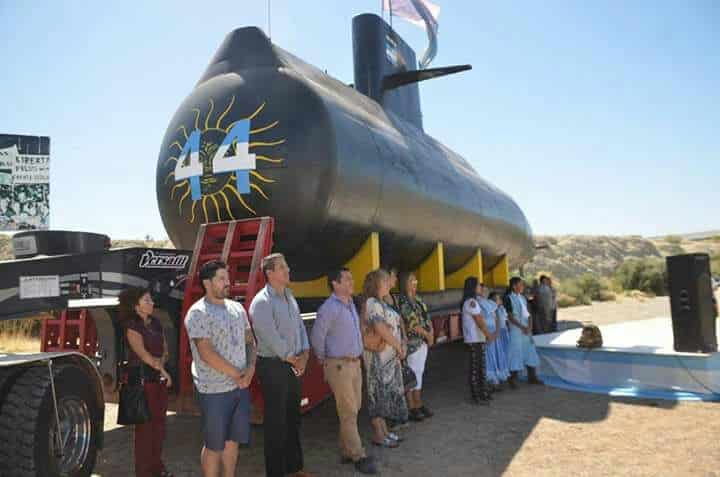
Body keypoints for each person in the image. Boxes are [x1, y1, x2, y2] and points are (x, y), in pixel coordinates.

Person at [184, 260, 256, 477]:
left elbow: (250, 340)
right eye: (222, 279)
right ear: (207, 283)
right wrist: (238, 374)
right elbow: (206, 353)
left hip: (240, 387)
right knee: (214, 445)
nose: (228, 283)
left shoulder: (237, 308)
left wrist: (251, 368)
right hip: (213, 391)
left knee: (232, 441)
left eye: (228, 278)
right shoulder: (198, 313)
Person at [249, 253, 313, 477]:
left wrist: (305, 353)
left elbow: (300, 327)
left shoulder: (289, 296)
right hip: (274, 367)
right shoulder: (261, 302)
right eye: (283, 267)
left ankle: (295, 467)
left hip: (293, 364)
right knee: (276, 423)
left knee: (293, 419)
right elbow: (270, 337)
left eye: (287, 266)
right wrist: (292, 358)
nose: (288, 271)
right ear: (270, 273)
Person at [310, 268, 377, 474]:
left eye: (351, 278)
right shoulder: (329, 308)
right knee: (349, 411)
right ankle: (359, 455)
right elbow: (317, 337)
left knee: (353, 409)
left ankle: (346, 450)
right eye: (347, 279)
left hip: (354, 364)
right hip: (339, 365)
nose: (351, 281)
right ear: (335, 284)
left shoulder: (349, 305)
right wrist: (325, 361)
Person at [119, 287, 174, 477]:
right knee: (145, 430)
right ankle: (143, 472)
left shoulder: (156, 323)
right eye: (147, 300)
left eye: (151, 300)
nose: (151, 303)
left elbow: (164, 349)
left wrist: (162, 363)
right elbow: (143, 355)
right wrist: (163, 371)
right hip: (143, 383)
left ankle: (157, 468)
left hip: (157, 380)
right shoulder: (132, 327)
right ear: (136, 306)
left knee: (159, 427)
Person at [361, 269, 408, 448]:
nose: (389, 283)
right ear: (376, 284)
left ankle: (385, 432)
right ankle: (379, 435)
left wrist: (401, 343)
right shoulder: (372, 302)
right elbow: (380, 327)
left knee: (384, 395)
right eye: (385, 280)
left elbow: (397, 324)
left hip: (389, 358)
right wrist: (397, 345)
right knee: (377, 394)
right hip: (377, 358)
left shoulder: (383, 303)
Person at [397, 271, 434, 421]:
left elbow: (427, 318)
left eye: (415, 280)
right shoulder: (403, 301)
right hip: (413, 343)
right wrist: (427, 335)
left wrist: (431, 333)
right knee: (411, 374)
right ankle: (411, 406)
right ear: (405, 283)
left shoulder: (418, 299)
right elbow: (412, 324)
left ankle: (418, 404)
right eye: (412, 280)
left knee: (419, 372)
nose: (415, 282)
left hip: (422, 342)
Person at [505, 277, 544, 388]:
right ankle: (512, 379)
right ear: (514, 286)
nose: (523, 287)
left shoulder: (523, 298)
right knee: (515, 353)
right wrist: (522, 327)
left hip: (526, 330)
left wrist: (530, 327)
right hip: (516, 330)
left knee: (530, 351)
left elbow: (529, 314)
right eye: (521, 284)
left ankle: (532, 377)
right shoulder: (508, 298)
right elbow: (510, 316)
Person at [461, 277, 495, 405]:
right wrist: (488, 335)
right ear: (473, 287)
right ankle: (477, 395)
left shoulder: (473, 301)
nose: (481, 287)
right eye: (478, 285)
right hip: (474, 340)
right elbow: (480, 321)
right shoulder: (471, 302)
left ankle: (482, 392)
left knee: (481, 367)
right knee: (476, 368)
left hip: (477, 339)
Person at [477, 284, 504, 392]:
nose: (486, 292)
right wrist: (488, 335)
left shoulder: (490, 303)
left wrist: (497, 331)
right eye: (483, 290)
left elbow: (496, 316)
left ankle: (495, 380)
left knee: (495, 356)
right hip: (486, 333)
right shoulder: (477, 303)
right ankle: (490, 381)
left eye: (487, 290)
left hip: (494, 333)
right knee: (488, 358)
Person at [489, 291, 511, 389]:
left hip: (504, 333)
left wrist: (508, 329)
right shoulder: (493, 311)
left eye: (498, 299)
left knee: (504, 355)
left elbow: (506, 321)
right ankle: (496, 379)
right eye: (496, 299)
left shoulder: (502, 309)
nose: (498, 301)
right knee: (497, 355)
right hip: (497, 334)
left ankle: (504, 375)